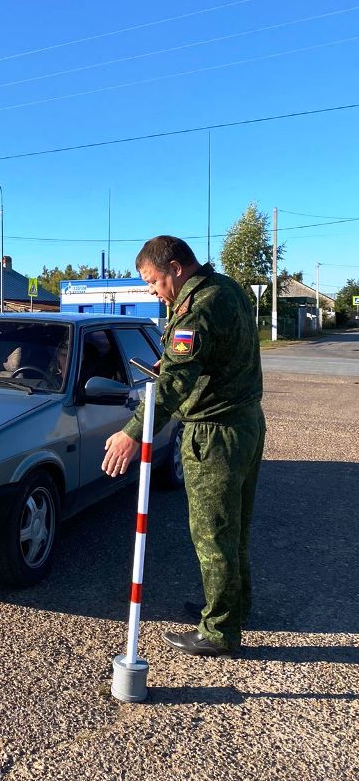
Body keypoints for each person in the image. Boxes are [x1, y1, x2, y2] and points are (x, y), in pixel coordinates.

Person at [102, 236, 265, 658]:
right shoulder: (226, 288)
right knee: (235, 526)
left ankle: (219, 631)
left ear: (175, 267)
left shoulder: (198, 305)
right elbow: (207, 357)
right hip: (244, 422)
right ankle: (231, 608)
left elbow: (174, 385)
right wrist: (171, 363)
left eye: (154, 282)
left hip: (214, 432)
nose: (153, 292)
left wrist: (132, 433)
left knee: (212, 532)